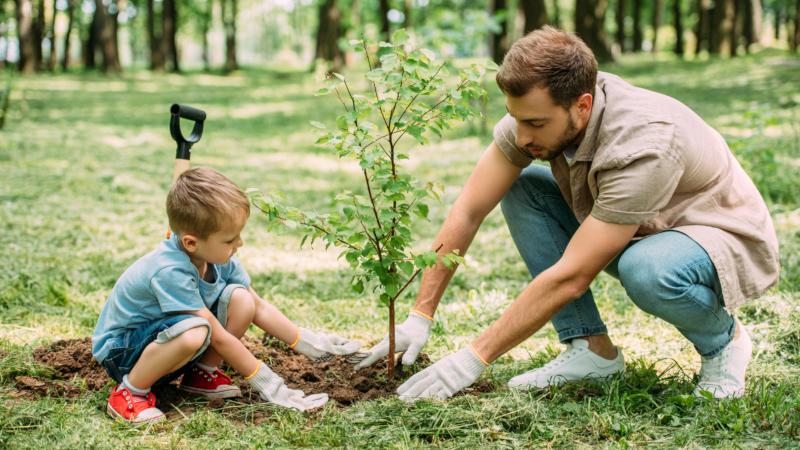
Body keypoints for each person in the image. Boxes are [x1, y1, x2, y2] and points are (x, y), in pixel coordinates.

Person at [355, 26, 779, 401]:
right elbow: (468, 208)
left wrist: (472, 358)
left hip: (715, 235)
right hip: (639, 224)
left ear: (582, 105)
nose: (522, 137)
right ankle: (591, 351)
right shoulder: (534, 115)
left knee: (645, 268)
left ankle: (725, 343)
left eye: (536, 124)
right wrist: (419, 314)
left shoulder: (644, 143)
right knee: (523, 188)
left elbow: (573, 276)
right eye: (515, 119)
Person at [92, 167, 362, 424]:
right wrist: (270, 384)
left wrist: (310, 344)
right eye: (230, 239)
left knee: (241, 299)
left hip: (164, 343)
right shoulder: (169, 270)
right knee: (197, 329)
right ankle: (130, 393)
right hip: (123, 353)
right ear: (191, 243)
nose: (239, 243)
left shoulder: (216, 256)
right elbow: (217, 337)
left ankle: (200, 376)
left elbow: (258, 307)